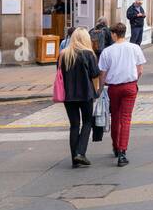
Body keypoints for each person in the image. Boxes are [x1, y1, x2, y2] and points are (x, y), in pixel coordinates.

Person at [98, 23, 145, 167]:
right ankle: (123, 152)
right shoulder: (135, 48)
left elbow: (102, 73)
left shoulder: (107, 51)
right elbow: (140, 70)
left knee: (116, 117)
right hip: (130, 86)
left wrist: (100, 89)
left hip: (114, 88)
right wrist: (133, 80)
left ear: (113, 34)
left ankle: (116, 147)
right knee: (126, 119)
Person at [58, 27, 100, 168]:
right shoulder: (89, 54)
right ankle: (80, 153)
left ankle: (74, 158)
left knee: (74, 125)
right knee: (87, 122)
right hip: (86, 94)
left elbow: (60, 75)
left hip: (68, 95)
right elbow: (95, 75)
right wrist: (97, 91)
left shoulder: (63, 54)